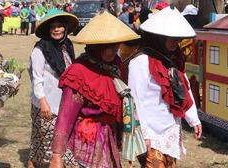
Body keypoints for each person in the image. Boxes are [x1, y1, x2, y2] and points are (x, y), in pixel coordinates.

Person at [49, 11, 145, 168]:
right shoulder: (78, 71)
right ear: (96, 46)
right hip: (87, 139)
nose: (114, 50)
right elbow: (66, 114)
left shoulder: (116, 65)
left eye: (116, 45)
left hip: (109, 135)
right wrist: (57, 155)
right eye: (108, 46)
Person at [128, 6, 202, 167]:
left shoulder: (174, 60)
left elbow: (184, 90)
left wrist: (193, 119)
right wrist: (143, 134)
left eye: (178, 38)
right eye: (171, 37)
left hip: (171, 130)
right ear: (159, 37)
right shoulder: (140, 62)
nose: (176, 42)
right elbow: (135, 100)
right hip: (150, 133)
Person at [27, 9, 79, 168]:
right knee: (50, 148)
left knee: (50, 146)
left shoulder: (67, 46)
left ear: (65, 28)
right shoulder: (40, 49)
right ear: (48, 30)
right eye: (53, 27)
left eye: (60, 26)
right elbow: (36, 78)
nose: (57, 29)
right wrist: (43, 102)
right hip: (46, 105)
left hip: (65, 104)